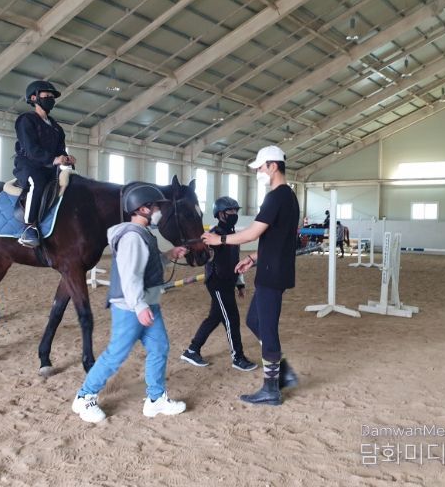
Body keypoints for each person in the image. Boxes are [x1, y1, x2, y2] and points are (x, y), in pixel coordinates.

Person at [72, 183, 188, 423]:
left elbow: (148, 266)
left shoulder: (144, 235)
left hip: (147, 303)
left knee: (159, 348)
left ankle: (155, 399)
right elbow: (130, 275)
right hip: (131, 307)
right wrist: (139, 306)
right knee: (115, 354)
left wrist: (169, 255)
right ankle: (84, 396)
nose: (158, 211)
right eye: (155, 207)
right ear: (143, 209)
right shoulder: (133, 238)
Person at [201, 145, 300, 406]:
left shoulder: (276, 197)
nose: (258, 172)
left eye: (260, 168)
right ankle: (283, 371)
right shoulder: (289, 197)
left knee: (267, 327)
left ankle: (271, 389)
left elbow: (252, 233)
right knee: (254, 321)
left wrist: (219, 239)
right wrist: (253, 258)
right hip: (272, 268)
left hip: (272, 274)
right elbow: (277, 240)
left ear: (273, 166)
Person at [181, 196, 257, 372]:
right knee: (231, 318)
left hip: (229, 281)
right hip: (217, 282)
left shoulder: (233, 236)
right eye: (230, 211)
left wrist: (240, 283)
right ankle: (238, 357)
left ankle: (192, 350)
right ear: (220, 214)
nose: (234, 213)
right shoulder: (213, 235)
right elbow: (202, 256)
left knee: (214, 317)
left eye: (236, 210)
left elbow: (235, 261)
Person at [13, 80, 76, 248]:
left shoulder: (57, 128)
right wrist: (53, 160)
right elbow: (31, 149)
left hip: (50, 167)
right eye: (47, 95)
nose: (50, 99)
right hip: (29, 165)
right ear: (34, 98)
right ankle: (28, 227)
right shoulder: (26, 120)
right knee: (38, 183)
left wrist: (66, 158)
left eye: (52, 97)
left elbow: (60, 150)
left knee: (72, 182)